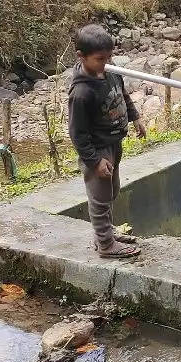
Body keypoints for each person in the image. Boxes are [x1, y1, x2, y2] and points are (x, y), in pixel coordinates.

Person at [68, 24, 146, 259]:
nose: (106, 63)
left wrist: (135, 117)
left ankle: (107, 232)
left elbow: (122, 95)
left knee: (112, 190)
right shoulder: (81, 93)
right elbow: (77, 133)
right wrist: (94, 161)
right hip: (98, 148)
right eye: (100, 59)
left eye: (109, 57)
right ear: (81, 56)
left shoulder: (110, 73)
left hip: (114, 142)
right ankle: (105, 244)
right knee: (100, 196)